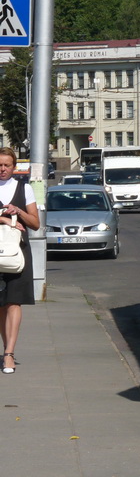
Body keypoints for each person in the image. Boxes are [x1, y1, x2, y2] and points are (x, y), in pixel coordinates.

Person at [0, 147, 40, 374]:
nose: (3, 169)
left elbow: (35, 224)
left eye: (7, 165)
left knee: (14, 302)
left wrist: (18, 211)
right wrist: (4, 220)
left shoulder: (25, 189)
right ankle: (7, 347)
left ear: (14, 167)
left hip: (17, 253)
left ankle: (9, 354)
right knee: (1, 305)